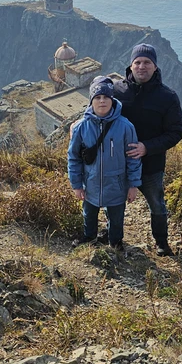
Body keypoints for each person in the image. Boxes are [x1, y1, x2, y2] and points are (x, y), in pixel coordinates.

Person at [115, 43, 182, 256]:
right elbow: (97, 111)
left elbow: (175, 132)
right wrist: (77, 124)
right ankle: (114, 240)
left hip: (151, 165)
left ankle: (162, 243)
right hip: (120, 162)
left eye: (147, 62)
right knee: (115, 203)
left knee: (157, 204)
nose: (142, 67)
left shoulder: (168, 97)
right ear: (131, 65)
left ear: (155, 67)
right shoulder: (117, 90)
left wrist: (147, 147)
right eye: (137, 62)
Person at [68, 76, 142, 249]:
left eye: (106, 97)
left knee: (117, 218)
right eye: (98, 97)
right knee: (88, 214)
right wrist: (77, 185)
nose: (102, 101)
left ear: (112, 99)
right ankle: (89, 238)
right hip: (90, 183)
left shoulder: (126, 126)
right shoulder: (81, 127)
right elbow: (73, 157)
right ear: (92, 101)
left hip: (116, 185)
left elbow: (133, 158)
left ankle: (115, 242)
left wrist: (133, 185)